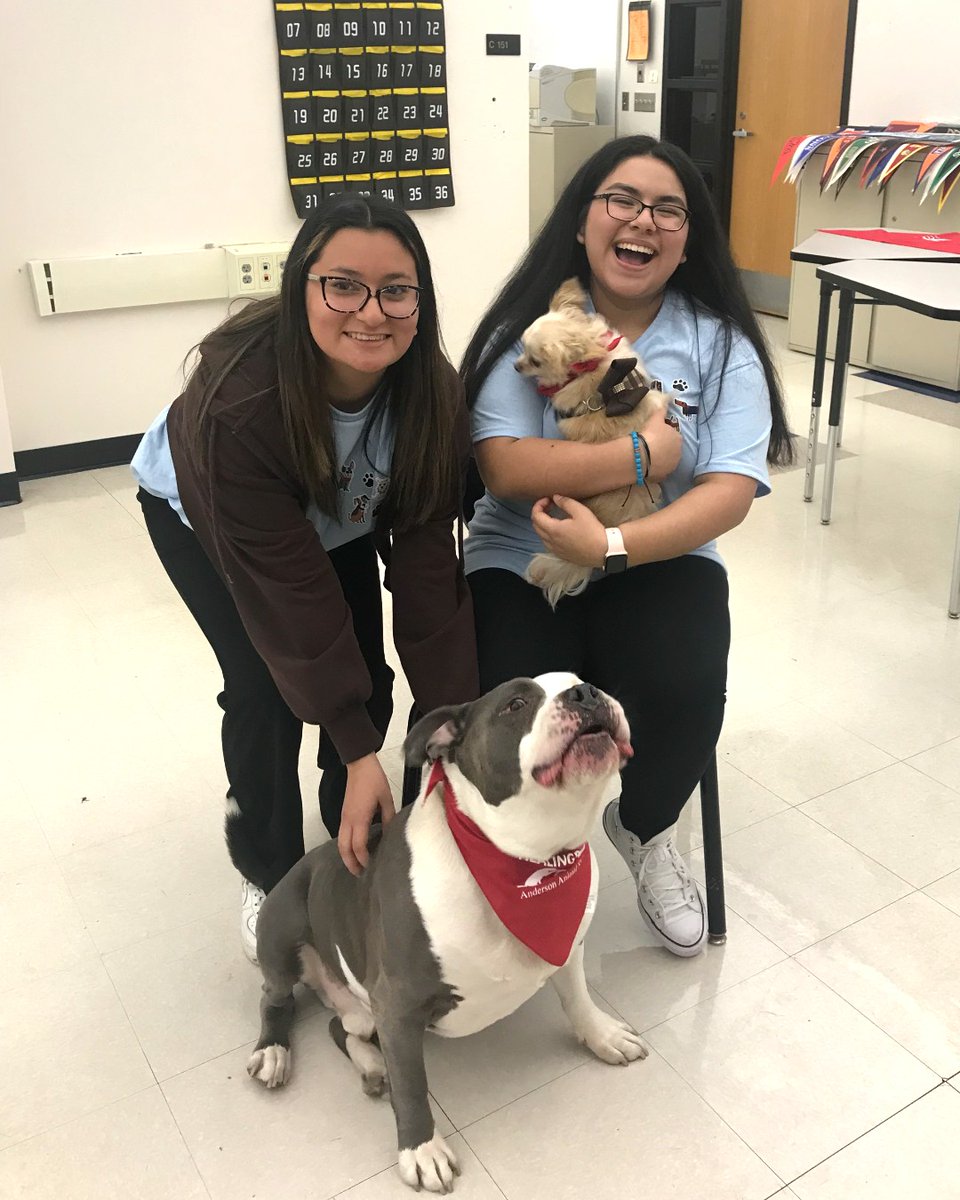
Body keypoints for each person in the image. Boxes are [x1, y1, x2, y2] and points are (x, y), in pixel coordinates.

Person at [460, 135, 792, 958]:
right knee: (513, 703)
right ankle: (511, 856)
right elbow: (504, 465)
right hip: (522, 552)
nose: (643, 220)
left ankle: (644, 831)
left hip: (657, 551)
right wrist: (646, 454)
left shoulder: (720, 345)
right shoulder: (533, 330)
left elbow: (730, 490)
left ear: (689, 238)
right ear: (583, 221)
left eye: (668, 208)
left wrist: (611, 544)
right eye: (622, 200)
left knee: (681, 685)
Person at [131, 195, 479, 960]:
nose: (371, 312)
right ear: (302, 289)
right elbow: (290, 595)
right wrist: (360, 749)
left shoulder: (431, 393)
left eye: (397, 289)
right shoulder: (238, 406)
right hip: (206, 517)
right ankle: (271, 870)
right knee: (265, 688)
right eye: (343, 285)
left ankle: (348, 834)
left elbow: (425, 565)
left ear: (419, 301)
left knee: (366, 680)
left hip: (336, 511)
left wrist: (448, 722)